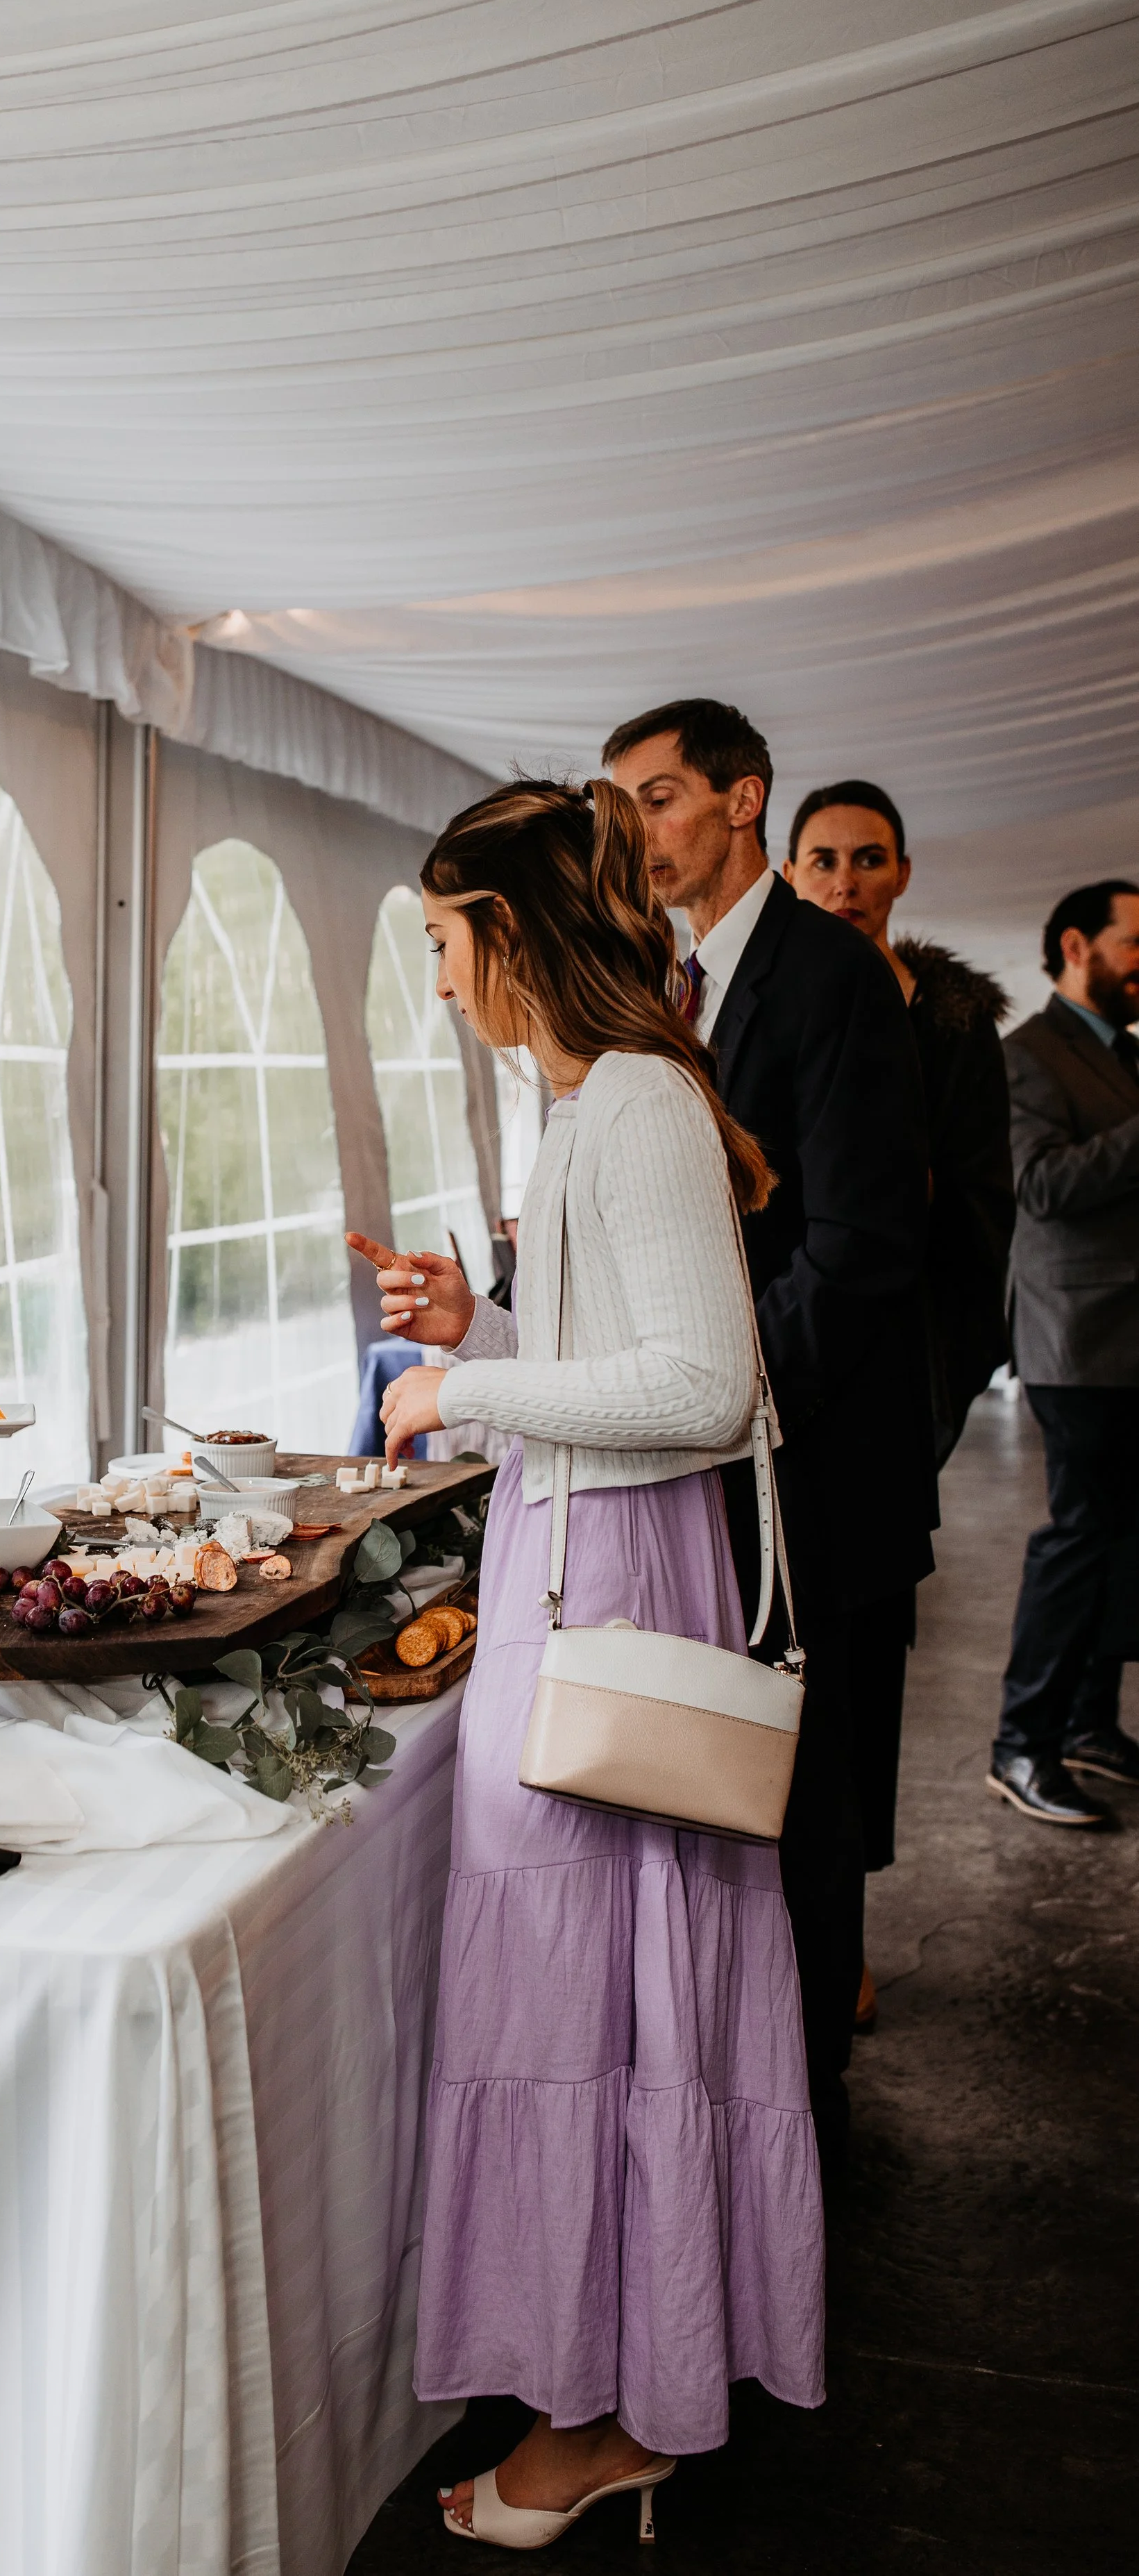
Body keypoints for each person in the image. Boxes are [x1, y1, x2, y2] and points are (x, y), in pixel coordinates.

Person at [356, 778, 823, 2550]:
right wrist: (474, 1325)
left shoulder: (628, 1105)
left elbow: (705, 1390)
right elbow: (628, 1355)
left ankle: (594, 2417)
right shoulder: (598, 1104)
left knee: (580, 2000)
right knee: (601, 2003)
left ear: (509, 930)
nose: (439, 981)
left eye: (441, 943)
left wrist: (459, 1389)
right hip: (591, 1562)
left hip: (607, 1585)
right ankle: (613, 2394)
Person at [603, 700, 933, 2159]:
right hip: (704, 1462)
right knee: (710, 1793)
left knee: (801, 1814)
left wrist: (714, 1401)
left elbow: (860, 1248)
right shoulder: (651, 983)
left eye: (659, 798)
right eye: (621, 805)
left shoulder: (833, 980)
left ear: (743, 803)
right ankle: (719, 2095)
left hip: (806, 1468)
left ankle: (798, 2124)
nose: (637, 830)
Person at [784, 780, 1013, 1974]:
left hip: (903, 1368)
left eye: (868, 860)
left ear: (902, 876)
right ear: (788, 868)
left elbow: (976, 1209)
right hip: (793, 1363)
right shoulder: (778, 1004)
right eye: (823, 859)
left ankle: (849, 1930)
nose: (844, 881)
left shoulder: (952, 1027)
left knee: (867, 1659)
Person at [990, 880, 1139, 1826]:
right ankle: (1022, 1743)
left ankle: (1089, 1722)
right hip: (1074, 1338)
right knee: (1080, 1540)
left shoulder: (1121, 1054)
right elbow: (1040, 1186)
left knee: (1121, 1541)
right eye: (1137, 942)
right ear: (1078, 945)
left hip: (1125, 1339)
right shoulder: (1025, 1055)